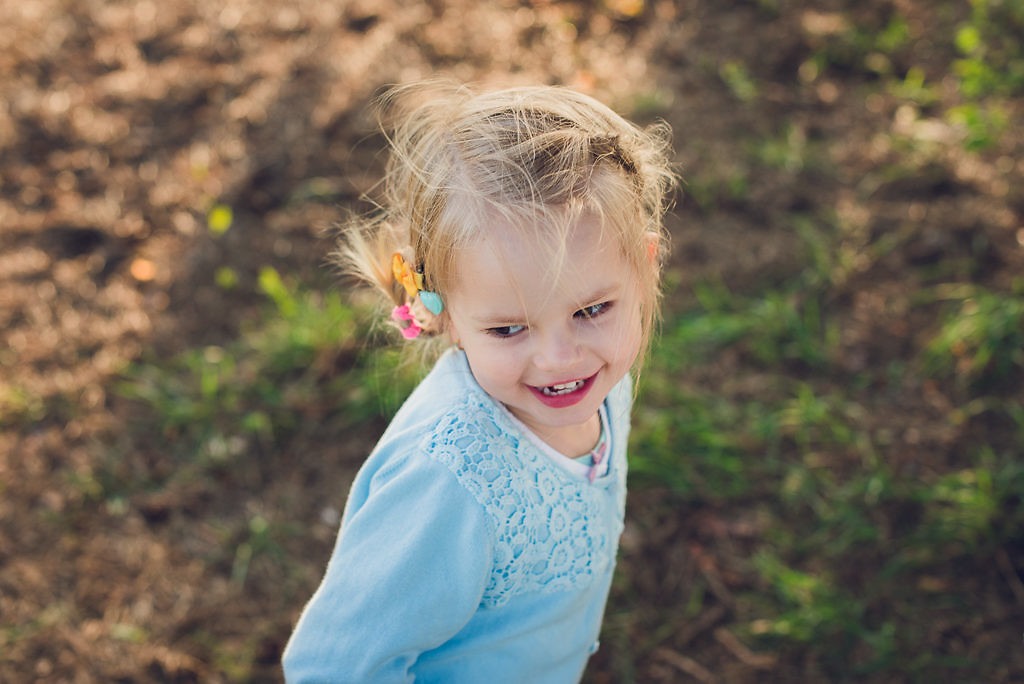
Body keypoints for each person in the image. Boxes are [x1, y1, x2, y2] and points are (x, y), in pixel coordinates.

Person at [282, 81, 675, 683]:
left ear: (644, 267)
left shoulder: (599, 378)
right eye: (510, 328)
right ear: (446, 317)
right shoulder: (448, 485)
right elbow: (331, 667)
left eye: (591, 311)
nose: (559, 359)